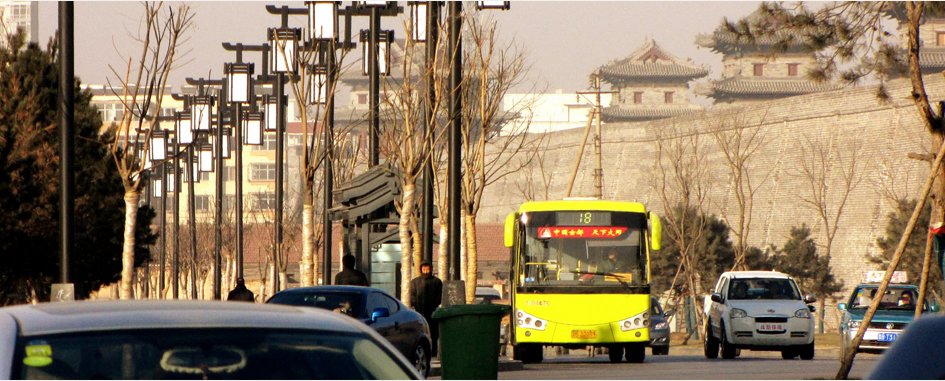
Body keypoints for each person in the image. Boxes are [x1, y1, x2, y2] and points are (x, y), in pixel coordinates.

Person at [409, 261, 443, 354]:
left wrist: (433, 305)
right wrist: (417, 306)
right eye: (424, 268)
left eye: (427, 268)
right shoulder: (415, 282)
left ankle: (434, 351)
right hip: (419, 312)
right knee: (420, 333)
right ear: (421, 269)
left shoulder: (437, 282)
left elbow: (439, 297)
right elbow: (412, 296)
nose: (426, 271)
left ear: (431, 269)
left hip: (432, 312)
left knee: (433, 334)